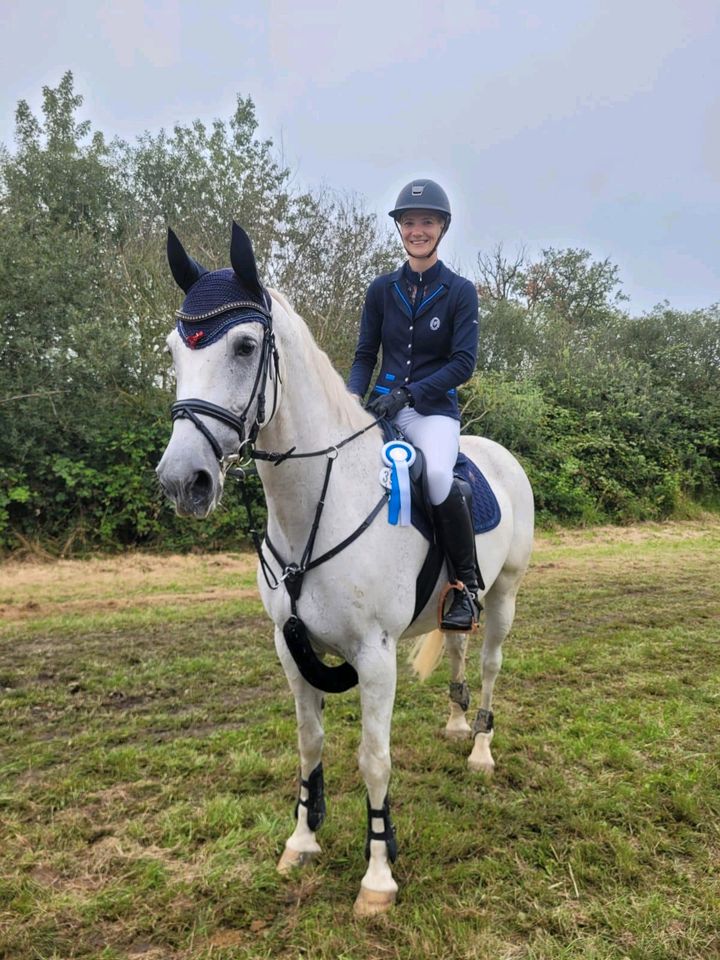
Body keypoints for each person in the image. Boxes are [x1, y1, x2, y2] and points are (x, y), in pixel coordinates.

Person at [347, 178, 480, 631]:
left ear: (441, 227)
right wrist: (351, 400)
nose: (417, 230)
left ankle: (466, 587)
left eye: (426, 222)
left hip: (433, 412)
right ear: (400, 229)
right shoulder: (381, 290)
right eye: (409, 222)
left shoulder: (460, 291)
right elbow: (365, 355)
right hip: (382, 408)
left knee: (439, 476)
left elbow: (463, 362)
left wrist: (411, 394)